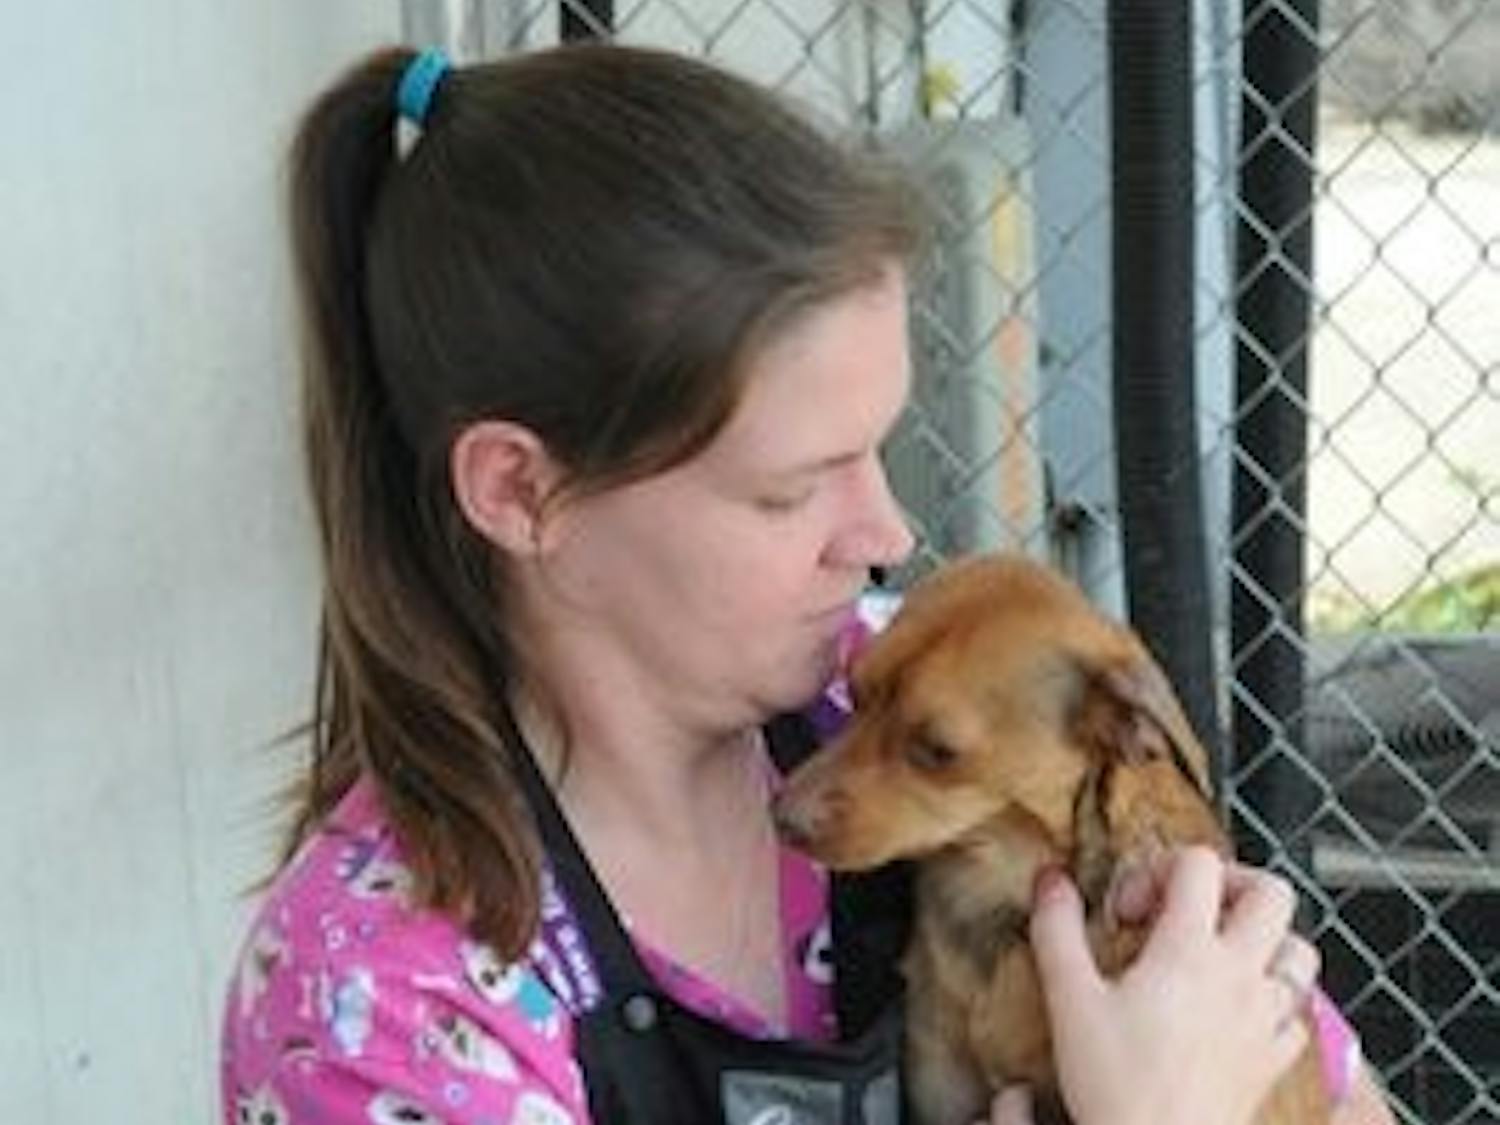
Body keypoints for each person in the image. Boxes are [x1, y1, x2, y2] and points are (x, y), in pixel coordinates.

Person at [221, 42, 1395, 1125]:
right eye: (794, 489)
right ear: (525, 493)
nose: (884, 533)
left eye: (879, 450)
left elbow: (1342, 1096)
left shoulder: (879, 693)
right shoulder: (383, 1007)